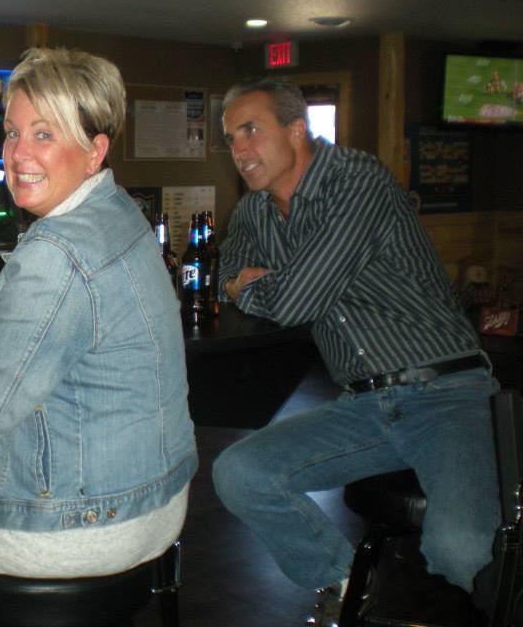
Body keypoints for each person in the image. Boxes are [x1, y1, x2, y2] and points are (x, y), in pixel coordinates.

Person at [0, 47, 199, 625]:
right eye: (12, 132)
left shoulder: (57, 248)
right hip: (159, 494)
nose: (17, 154)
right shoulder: (120, 213)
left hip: (92, 526)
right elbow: (33, 317)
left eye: (44, 134)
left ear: (94, 150)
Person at [210, 79, 500, 625]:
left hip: (447, 391)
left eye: (251, 129)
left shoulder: (357, 181)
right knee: (241, 472)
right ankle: (355, 587)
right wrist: (256, 282)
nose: (240, 149)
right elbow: (227, 273)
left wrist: (259, 284)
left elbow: (294, 300)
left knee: (460, 550)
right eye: (230, 138)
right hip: (363, 404)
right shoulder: (253, 213)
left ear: (297, 129)